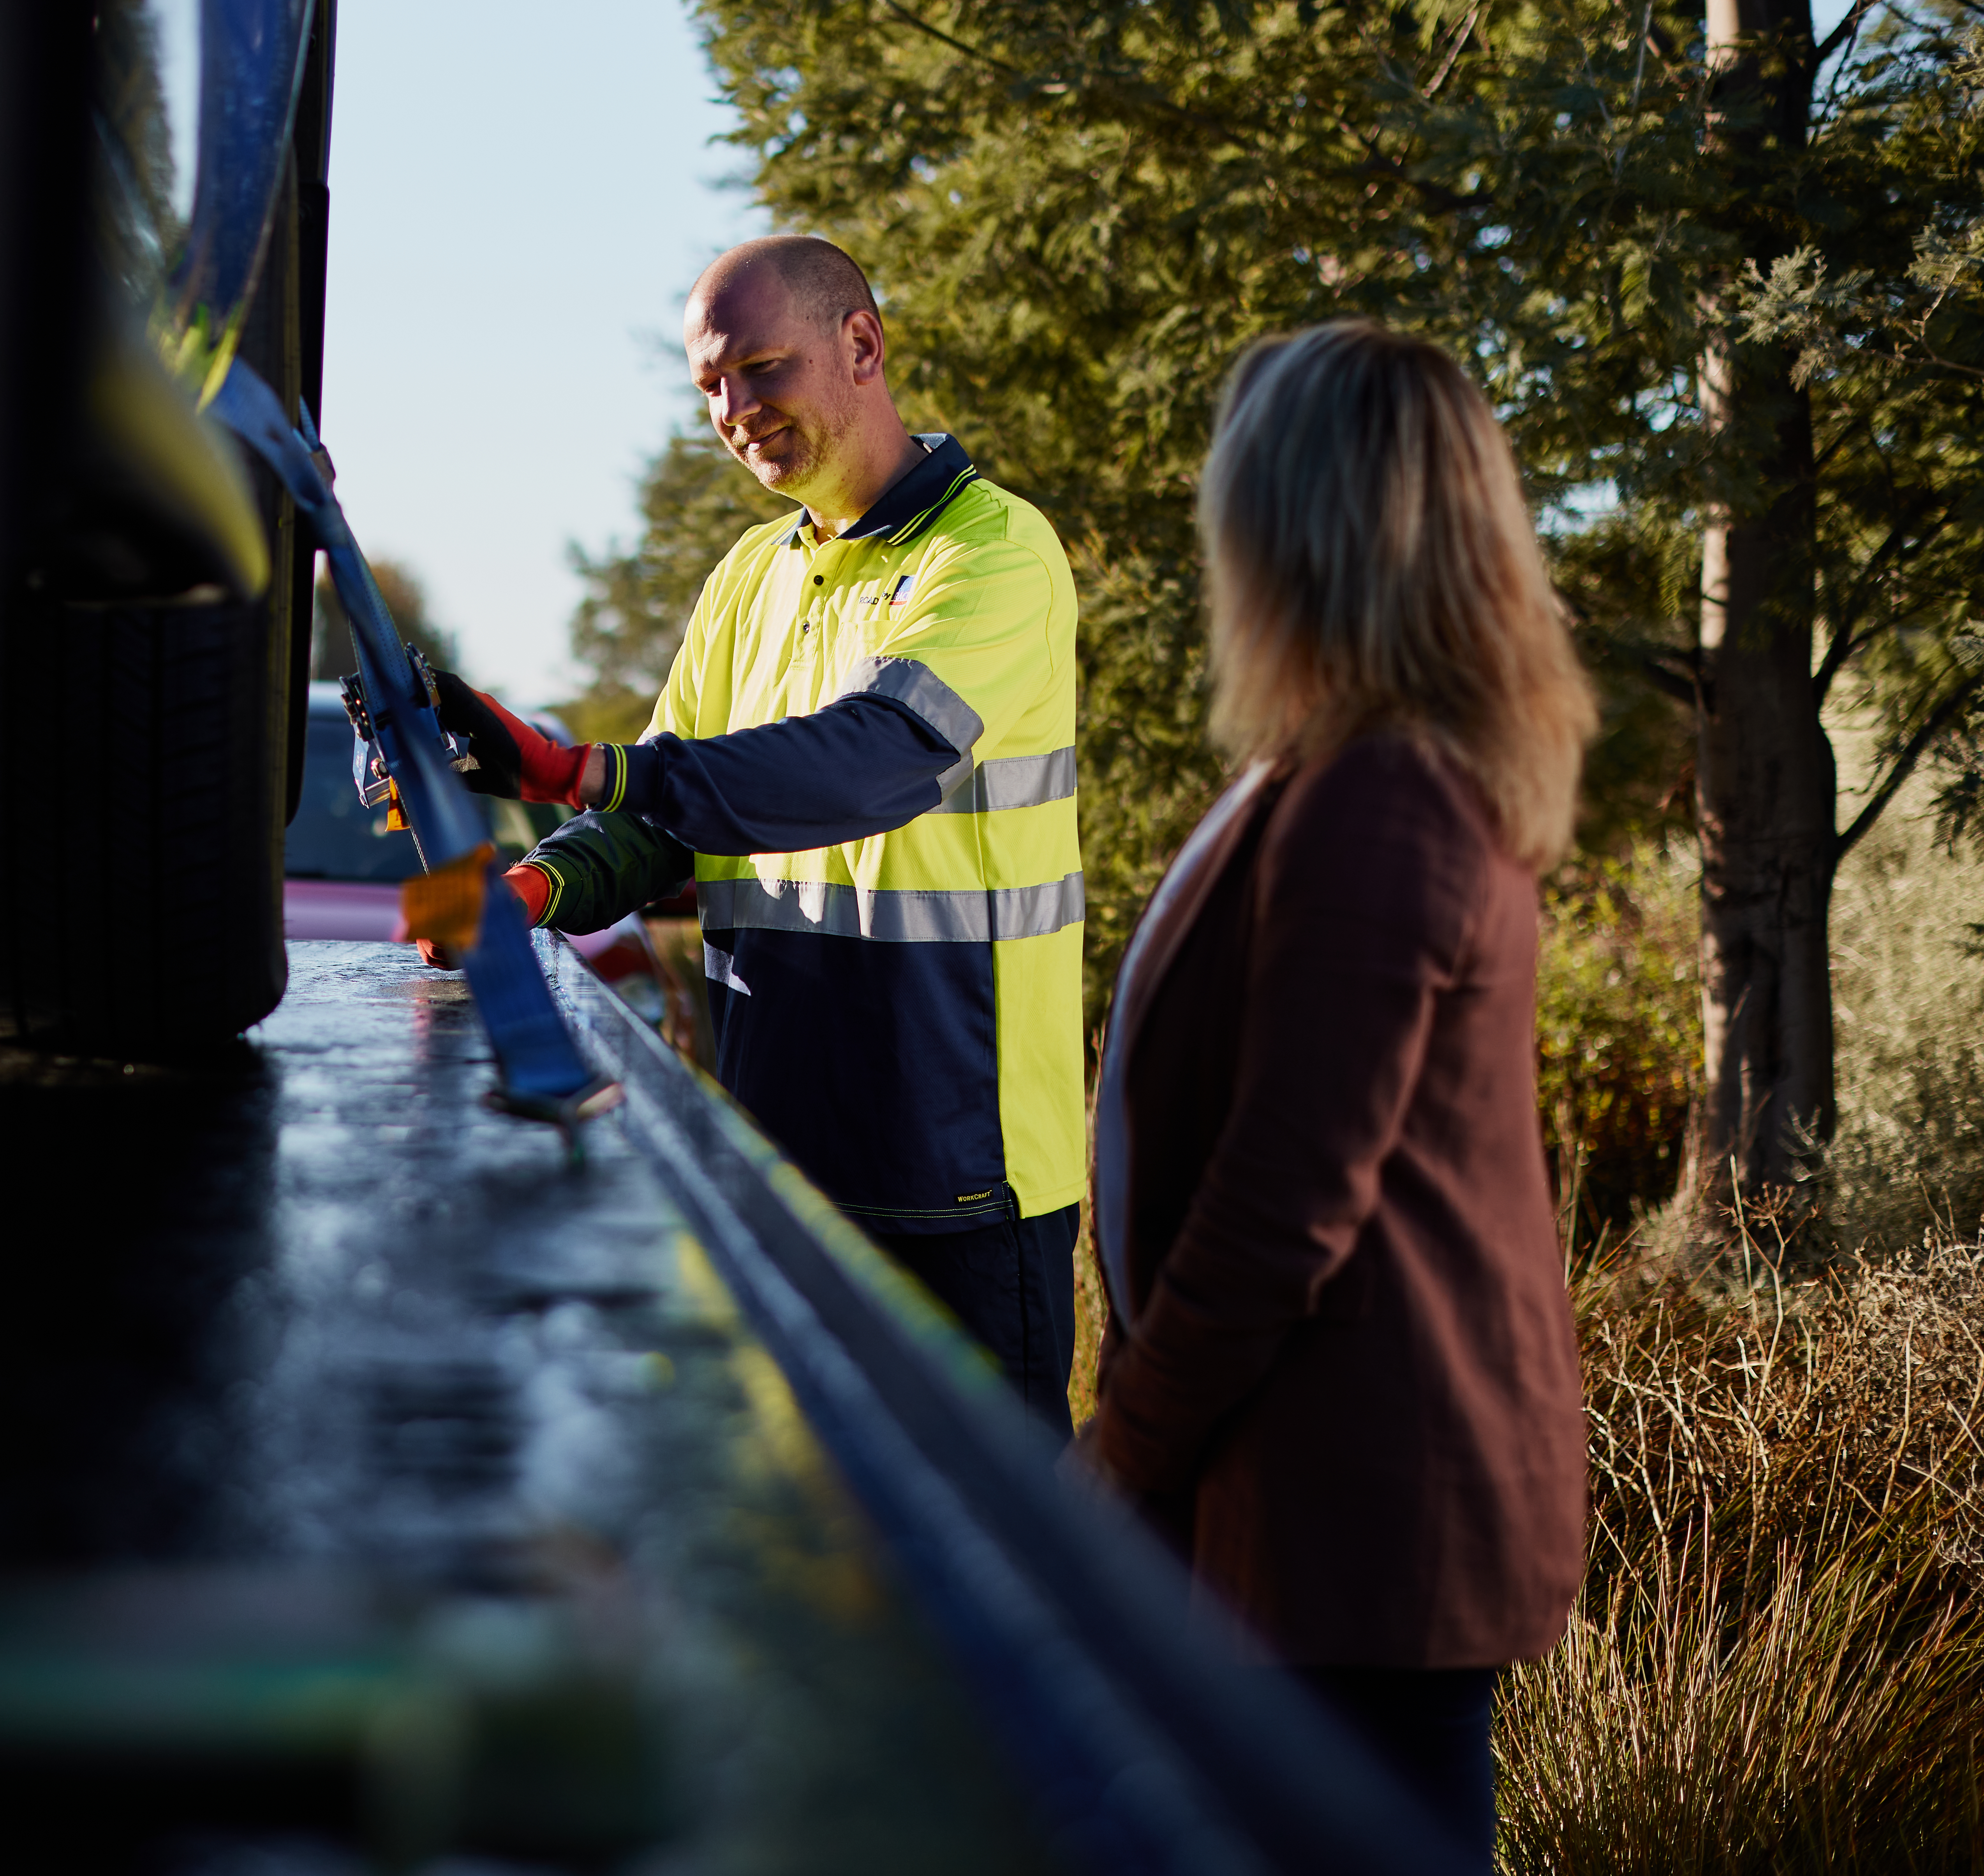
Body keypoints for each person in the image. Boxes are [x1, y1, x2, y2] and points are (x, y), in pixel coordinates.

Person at [1082, 321, 1596, 1867]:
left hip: (1366, 1515)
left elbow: (1280, 1206)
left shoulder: (1383, 797)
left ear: (1298, 520)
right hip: (1332, 1504)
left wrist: (1118, 1452)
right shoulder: (1351, 763)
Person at [421, 235, 1085, 1421]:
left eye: (761, 369)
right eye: (709, 388)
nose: (733, 411)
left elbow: (876, 763)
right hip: (780, 1165)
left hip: (963, 1192)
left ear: (863, 346)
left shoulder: (995, 553)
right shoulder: (747, 579)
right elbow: (668, 818)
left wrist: (570, 763)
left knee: (966, 1591)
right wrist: (530, 893)